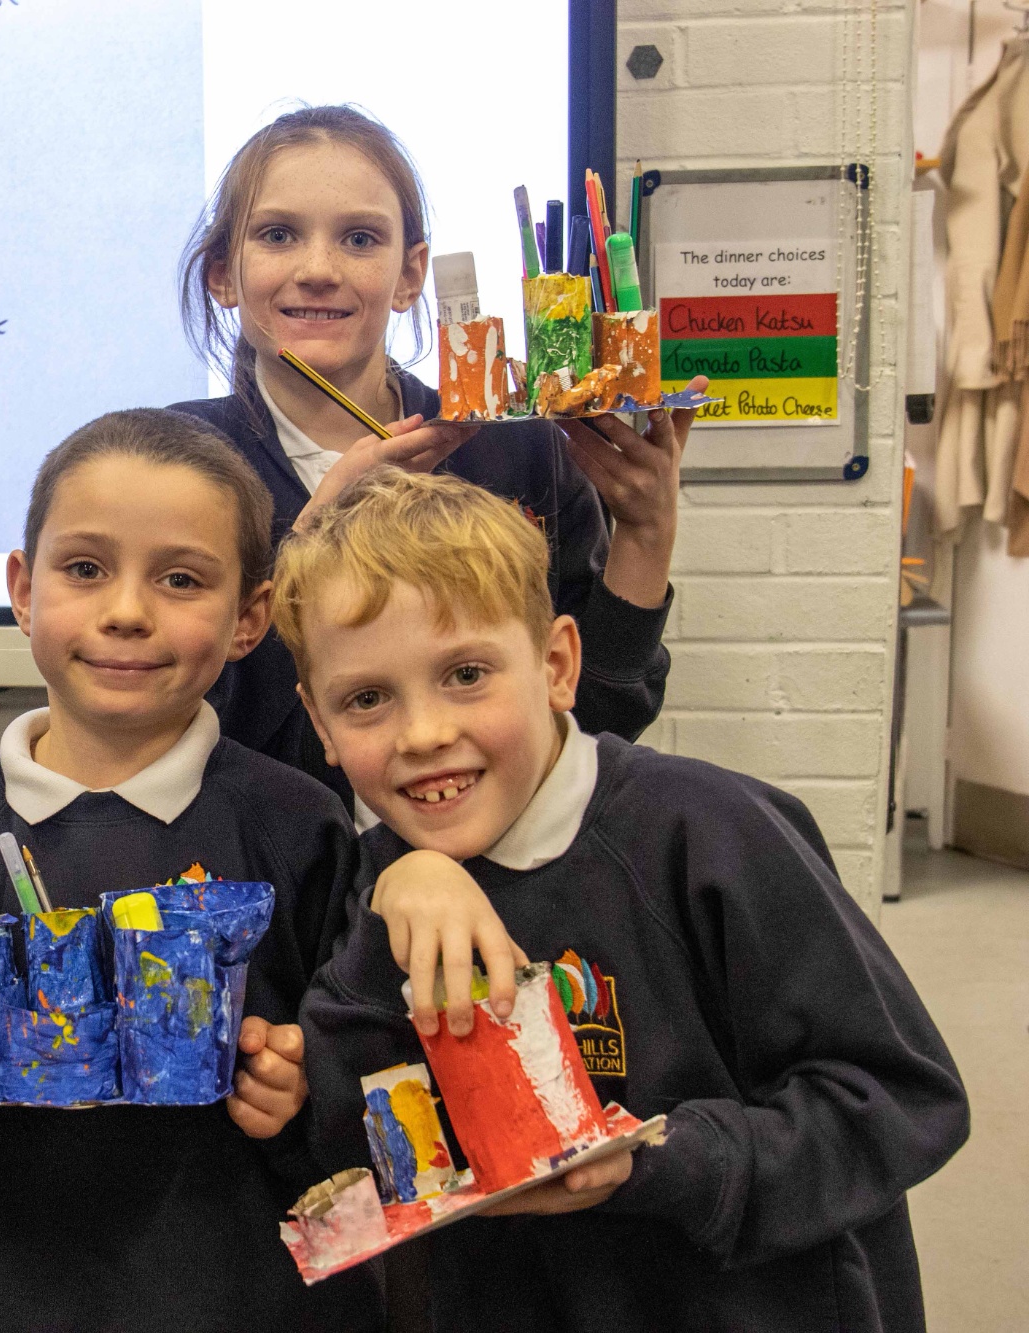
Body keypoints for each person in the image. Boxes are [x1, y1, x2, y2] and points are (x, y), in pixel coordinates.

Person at [285, 467, 969, 1329]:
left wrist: (662, 1159)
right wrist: (391, 906)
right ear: (322, 725)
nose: (423, 734)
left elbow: (902, 1099)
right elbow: (353, 1138)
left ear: (558, 664)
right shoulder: (382, 874)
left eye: (465, 673)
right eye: (368, 699)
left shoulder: (714, 831)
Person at [0, 409, 380, 1330]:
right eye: (85, 569)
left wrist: (299, 1097)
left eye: (180, 578)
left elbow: (360, 1105)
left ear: (251, 616)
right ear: (23, 587)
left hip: (250, 1296)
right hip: (6, 1296)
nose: (127, 609)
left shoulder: (301, 826)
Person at [173, 104, 702, 804]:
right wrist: (321, 523)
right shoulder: (180, 468)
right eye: (277, 234)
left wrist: (646, 533)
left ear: (410, 274)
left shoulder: (513, 445)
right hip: (271, 886)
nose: (319, 269)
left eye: (360, 238)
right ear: (223, 274)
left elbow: (596, 721)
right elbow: (191, 721)